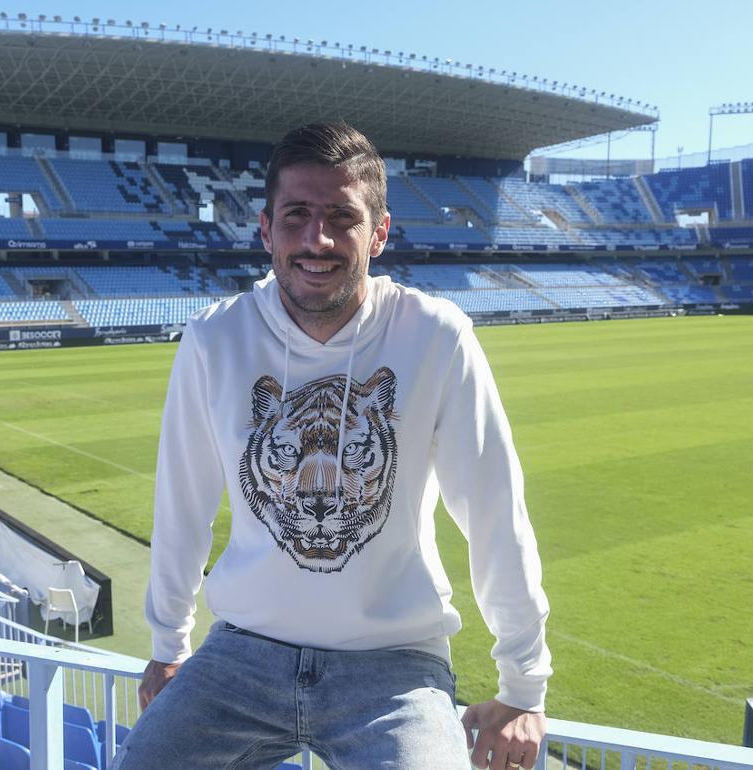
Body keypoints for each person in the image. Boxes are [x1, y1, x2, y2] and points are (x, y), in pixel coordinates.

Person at [114, 122, 552, 770]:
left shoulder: (436, 336)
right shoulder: (214, 339)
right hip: (242, 650)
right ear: (266, 229)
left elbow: (493, 509)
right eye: (296, 216)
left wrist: (523, 685)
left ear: (379, 232)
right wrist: (168, 642)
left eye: (340, 218)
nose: (316, 240)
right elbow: (183, 503)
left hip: (394, 666)